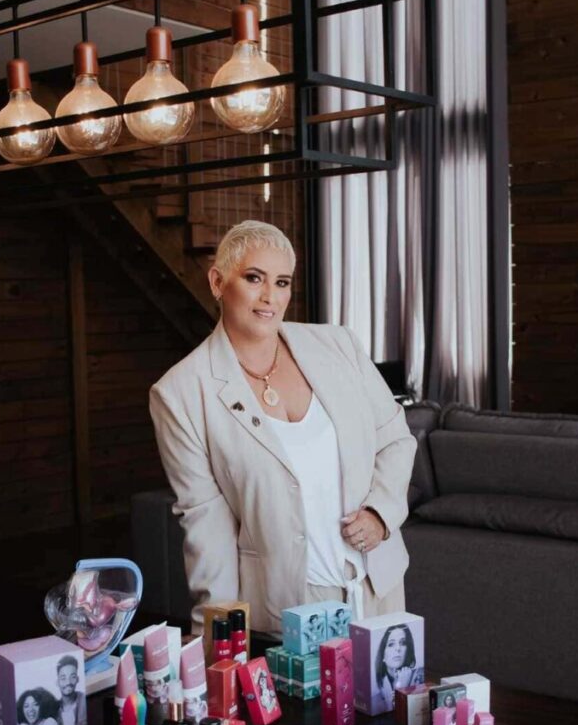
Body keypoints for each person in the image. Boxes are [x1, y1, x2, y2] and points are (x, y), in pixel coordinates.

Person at [149, 220, 417, 636]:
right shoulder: (181, 393)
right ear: (218, 282)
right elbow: (207, 524)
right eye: (254, 278)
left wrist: (381, 513)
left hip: (377, 588)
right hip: (291, 608)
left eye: (282, 282)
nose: (269, 297)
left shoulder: (339, 346)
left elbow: (396, 439)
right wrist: (219, 637)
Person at [373, 623, 423, 713]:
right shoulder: (375, 700)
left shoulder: (420, 677)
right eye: (391, 644)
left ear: (408, 649)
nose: (398, 648)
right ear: (383, 655)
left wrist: (402, 689)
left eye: (403, 643)